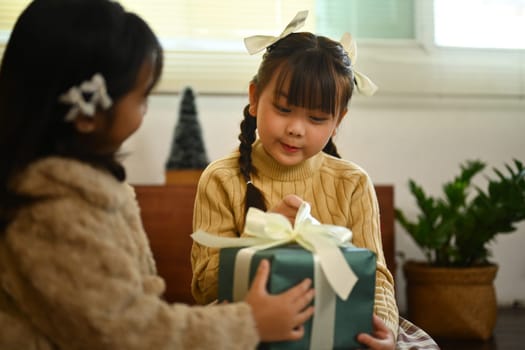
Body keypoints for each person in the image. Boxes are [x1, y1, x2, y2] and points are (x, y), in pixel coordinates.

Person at [0, 1, 315, 349]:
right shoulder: (53, 214)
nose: (146, 110)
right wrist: (248, 322)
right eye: (141, 97)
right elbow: (126, 331)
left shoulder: (83, 189)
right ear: (87, 113)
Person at [191, 11, 399, 349]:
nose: (296, 128)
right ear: (255, 98)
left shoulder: (353, 183)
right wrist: (262, 236)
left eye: (316, 118)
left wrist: (385, 328)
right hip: (247, 331)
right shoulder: (221, 178)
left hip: (337, 327)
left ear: (338, 120)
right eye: (284, 109)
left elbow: (375, 278)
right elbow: (204, 287)